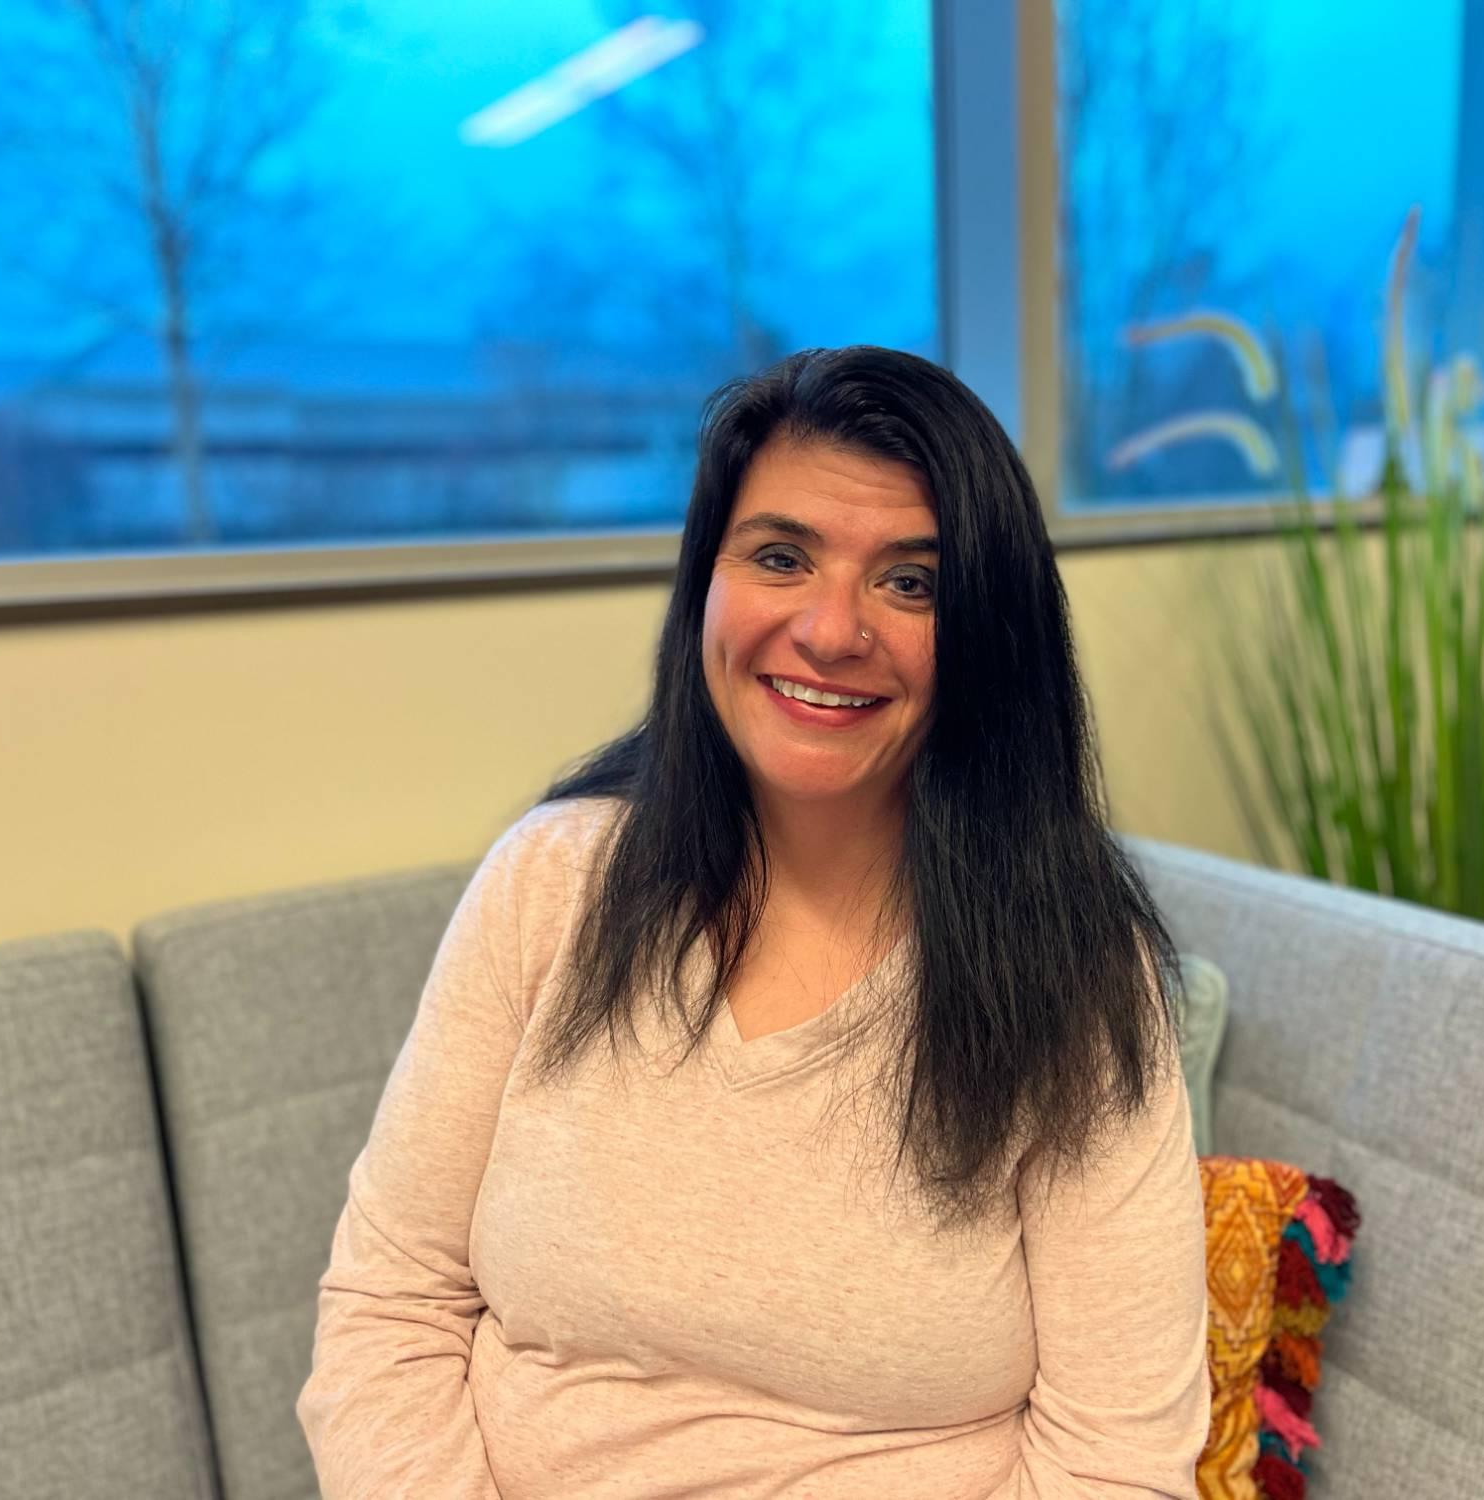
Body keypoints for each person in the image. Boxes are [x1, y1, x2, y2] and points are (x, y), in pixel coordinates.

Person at [297, 345, 1212, 1497]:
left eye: (912, 582)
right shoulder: (551, 883)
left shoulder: (1073, 974)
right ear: (705, 586)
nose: (832, 631)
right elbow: (392, 1304)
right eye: (780, 556)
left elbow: (1117, 1461)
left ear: (990, 637)